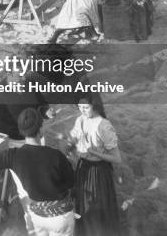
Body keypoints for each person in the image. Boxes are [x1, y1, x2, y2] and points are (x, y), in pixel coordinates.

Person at [0, 108, 75, 236]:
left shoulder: (12, 156)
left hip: (37, 218)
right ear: (40, 130)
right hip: (60, 219)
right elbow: (71, 182)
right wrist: (68, 158)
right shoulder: (56, 156)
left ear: (22, 130)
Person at [66, 95, 121, 236]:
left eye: (86, 107)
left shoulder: (104, 125)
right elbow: (74, 138)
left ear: (94, 106)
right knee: (84, 207)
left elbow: (116, 158)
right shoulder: (80, 120)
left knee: (98, 208)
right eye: (80, 108)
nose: (82, 111)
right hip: (82, 168)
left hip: (99, 172)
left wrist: (95, 153)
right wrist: (70, 144)